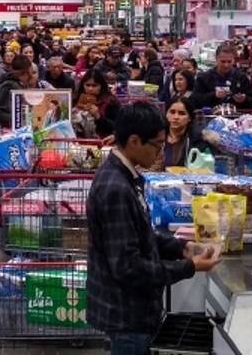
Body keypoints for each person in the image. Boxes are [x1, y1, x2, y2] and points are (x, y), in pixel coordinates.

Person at [86, 101, 221, 354]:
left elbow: (140, 234)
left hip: (134, 312)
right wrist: (189, 267)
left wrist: (183, 248)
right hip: (126, 315)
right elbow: (128, 267)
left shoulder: (127, 176)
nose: (160, 153)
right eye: (157, 145)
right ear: (134, 141)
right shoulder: (115, 187)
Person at [190, 43, 252, 111]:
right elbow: (195, 101)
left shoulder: (241, 78)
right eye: (223, 61)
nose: (226, 65)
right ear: (216, 58)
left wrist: (244, 99)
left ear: (234, 59)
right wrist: (214, 95)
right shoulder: (203, 78)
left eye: (229, 61)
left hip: (236, 116)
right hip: (210, 116)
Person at [154, 98, 208, 171]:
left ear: (189, 118)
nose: (176, 117)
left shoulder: (197, 140)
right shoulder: (156, 137)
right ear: (166, 114)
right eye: (172, 112)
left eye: (181, 113)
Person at [73, 70, 121, 139]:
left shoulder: (111, 102)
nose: (90, 89)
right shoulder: (76, 100)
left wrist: (98, 117)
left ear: (101, 86)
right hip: (78, 141)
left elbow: (117, 127)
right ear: (83, 85)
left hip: (102, 141)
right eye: (87, 85)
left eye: (94, 85)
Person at [0, 55, 32, 126]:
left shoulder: (21, 85)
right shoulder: (7, 86)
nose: (31, 76)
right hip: (11, 129)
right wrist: (19, 118)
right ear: (24, 72)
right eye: (30, 73)